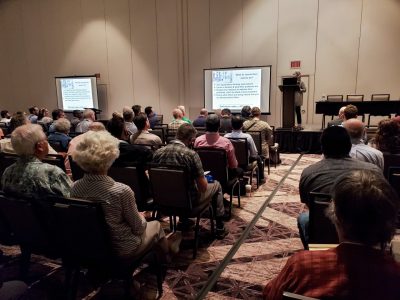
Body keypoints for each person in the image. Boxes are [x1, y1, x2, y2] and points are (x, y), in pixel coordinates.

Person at [264, 169, 400, 299]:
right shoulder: (395, 277)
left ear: (336, 217)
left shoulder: (301, 266)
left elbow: (270, 294)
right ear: (389, 223)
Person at [71, 130, 181, 262]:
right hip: (122, 248)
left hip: (93, 246)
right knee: (156, 225)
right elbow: (139, 228)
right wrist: (140, 216)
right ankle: (166, 256)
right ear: (111, 156)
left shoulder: (75, 187)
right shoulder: (121, 190)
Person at [297, 126, 381, 247]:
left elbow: (308, 204)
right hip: (367, 231)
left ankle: (313, 250)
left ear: (322, 148)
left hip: (325, 230)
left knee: (304, 219)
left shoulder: (308, 172)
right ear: (350, 146)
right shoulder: (373, 170)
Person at [153, 123, 228, 239]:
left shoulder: (157, 153)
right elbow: (203, 188)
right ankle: (220, 227)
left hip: (164, 202)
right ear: (192, 140)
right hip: (189, 204)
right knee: (216, 185)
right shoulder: (191, 155)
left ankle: (184, 221)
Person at [1, 124, 72, 197]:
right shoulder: (52, 172)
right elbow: (72, 199)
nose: (47, 143)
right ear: (39, 147)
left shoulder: (7, 172)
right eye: (46, 140)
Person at [225, 115, 265, 183]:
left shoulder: (226, 136)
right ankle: (261, 179)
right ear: (242, 126)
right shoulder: (247, 137)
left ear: (231, 125)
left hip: (230, 163)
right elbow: (254, 153)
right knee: (259, 157)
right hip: (245, 164)